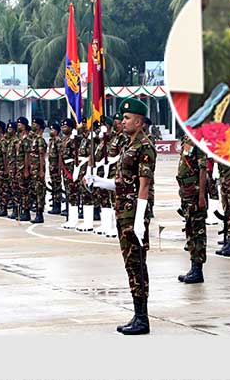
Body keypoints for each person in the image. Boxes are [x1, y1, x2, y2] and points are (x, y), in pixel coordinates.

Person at [88, 98, 155, 334]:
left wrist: (139, 221)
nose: (123, 121)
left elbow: (144, 186)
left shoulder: (144, 146)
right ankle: (138, 315)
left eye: (127, 118)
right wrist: (99, 182)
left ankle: (142, 319)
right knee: (130, 265)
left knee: (136, 264)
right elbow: (122, 184)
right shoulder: (128, 145)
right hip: (123, 211)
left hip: (133, 215)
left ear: (139, 121)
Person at [176, 135, 208, 283]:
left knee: (198, 231)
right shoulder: (187, 139)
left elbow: (203, 169)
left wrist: (201, 195)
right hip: (187, 192)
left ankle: (198, 269)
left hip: (195, 193)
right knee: (190, 229)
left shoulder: (198, 140)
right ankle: (193, 267)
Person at [29, 118, 47, 223]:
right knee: (35, 191)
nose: (33, 125)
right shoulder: (34, 139)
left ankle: (40, 214)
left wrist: (41, 170)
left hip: (38, 169)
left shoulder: (40, 140)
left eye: (35, 124)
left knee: (40, 191)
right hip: (33, 169)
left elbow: (42, 156)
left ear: (39, 126)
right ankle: (37, 212)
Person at [47, 121, 64, 215]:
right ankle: (54, 203)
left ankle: (57, 205)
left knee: (57, 186)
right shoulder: (51, 140)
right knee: (53, 185)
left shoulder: (58, 141)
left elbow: (60, 155)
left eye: (52, 129)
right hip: (52, 166)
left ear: (57, 131)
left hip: (56, 166)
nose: (51, 131)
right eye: (50, 129)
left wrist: (59, 168)